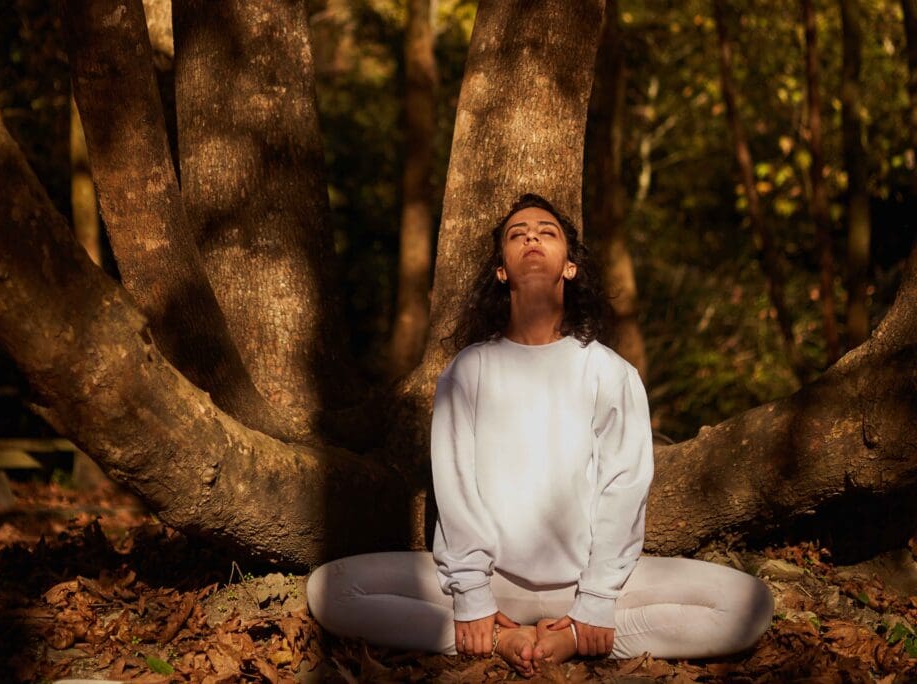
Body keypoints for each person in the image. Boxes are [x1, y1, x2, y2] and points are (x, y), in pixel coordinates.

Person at [307, 193, 773, 677]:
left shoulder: (609, 371)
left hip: (586, 581)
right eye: (518, 234)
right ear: (501, 271)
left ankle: (573, 637)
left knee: (749, 604)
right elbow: (455, 489)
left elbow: (624, 487)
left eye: (547, 232)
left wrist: (595, 601)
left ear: (570, 267)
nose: (532, 237)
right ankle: (500, 637)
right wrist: (472, 598)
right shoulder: (468, 371)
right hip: (493, 581)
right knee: (330, 589)